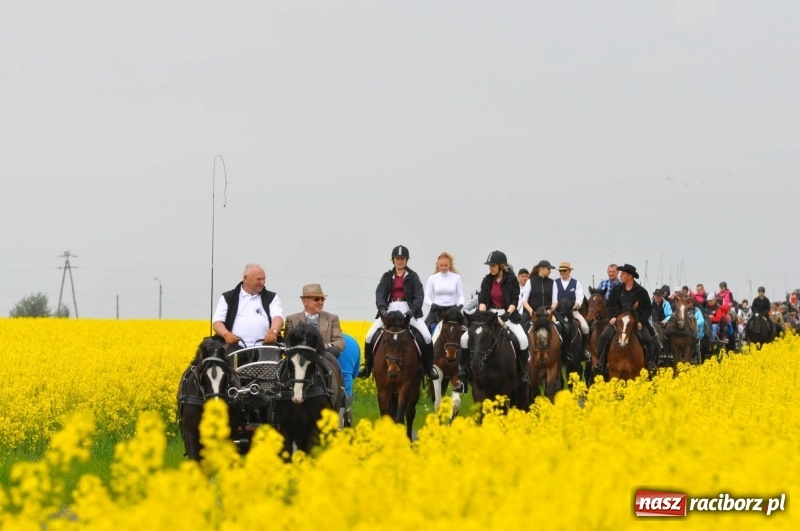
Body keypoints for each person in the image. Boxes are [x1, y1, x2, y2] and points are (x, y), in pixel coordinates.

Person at [359, 245, 439, 381]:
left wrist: (412, 311)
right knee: (369, 335)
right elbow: (380, 294)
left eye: (402, 258)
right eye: (397, 258)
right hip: (389, 309)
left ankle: (429, 367)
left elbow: (419, 295)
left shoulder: (413, 276)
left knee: (426, 336)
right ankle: (367, 367)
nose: (400, 261)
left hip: (408, 309)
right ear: (393, 260)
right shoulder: (387, 276)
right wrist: (382, 309)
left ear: (406, 260)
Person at [457, 250, 530, 389]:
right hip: (489, 315)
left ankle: (522, 373)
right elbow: (483, 299)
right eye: (489, 265)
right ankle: (464, 372)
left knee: (522, 339)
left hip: (508, 313)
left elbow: (515, 299)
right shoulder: (487, 279)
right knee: (465, 338)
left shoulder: (512, 279)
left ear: (501, 266)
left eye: (493, 265)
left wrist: (507, 313)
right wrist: (482, 315)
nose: (490, 267)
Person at [593, 263, 657, 375]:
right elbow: (609, 305)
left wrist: (641, 321)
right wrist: (612, 317)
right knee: (603, 337)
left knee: (649, 340)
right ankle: (601, 363)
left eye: (622, 274)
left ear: (630, 276)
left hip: (635, 322)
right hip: (618, 321)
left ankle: (650, 363)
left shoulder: (641, 291)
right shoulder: (616, 290)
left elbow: (647, 308)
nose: (620, 276)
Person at [212, 263, 284, 348]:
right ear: (245, 278)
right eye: (258, 279)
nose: (262, 282)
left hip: (265, 348)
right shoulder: (228, 297)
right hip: (234, 347)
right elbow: (217, 322)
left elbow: (278, 317)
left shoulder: (271, 297)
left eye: (264, 279)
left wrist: (273, 332)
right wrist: (227, 335)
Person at [284, 284, 345, 357]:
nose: (321, 302)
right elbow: (288, 343)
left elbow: (340, 341)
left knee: (333, 351)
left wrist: (327, 346)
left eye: (322, 299)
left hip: (324, 357)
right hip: (301, 357)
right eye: (316, 299)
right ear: (304, 302)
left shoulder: (332, 319)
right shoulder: (291, 320)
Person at [552, 262, 590, 358]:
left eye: (564, 270)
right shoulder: (554, 283)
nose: (562, 272)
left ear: (569, 271)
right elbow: (553, 298)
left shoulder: (576, 283)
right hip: (558, 313)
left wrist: (573, 307)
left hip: (573, 312)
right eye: (560, 270)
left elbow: (579, 298)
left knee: (585, 327)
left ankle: (584, 350)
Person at [423, 252, 465, 336]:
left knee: (465, 329)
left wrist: (460, 305)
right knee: (424, 332)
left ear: (450, 265)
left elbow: (461, 296)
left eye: (446, 265)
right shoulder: (432, 278)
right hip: (436, 310)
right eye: (441, 265)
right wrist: (432, 305)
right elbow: (426, 297)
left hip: (452, 310)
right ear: (437, 265)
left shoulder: (456, 278)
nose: (443, 267)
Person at [520, 260, 556, 326]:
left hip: (548, 313)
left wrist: (550, 310)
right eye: (548, 269)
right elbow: (524, 301)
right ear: (541, 269)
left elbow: (555, 301)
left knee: (565, 326)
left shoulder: (553, 282)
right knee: (521, 327)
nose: (550, 271)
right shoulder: (530, 282)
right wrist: (531, 311)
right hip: (532, 313)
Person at [338, 334, 361, 400]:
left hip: (329, 394)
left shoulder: (326, 343)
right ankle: (368, 367)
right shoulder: (353, 342)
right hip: (347, 392)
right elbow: (354, 374)